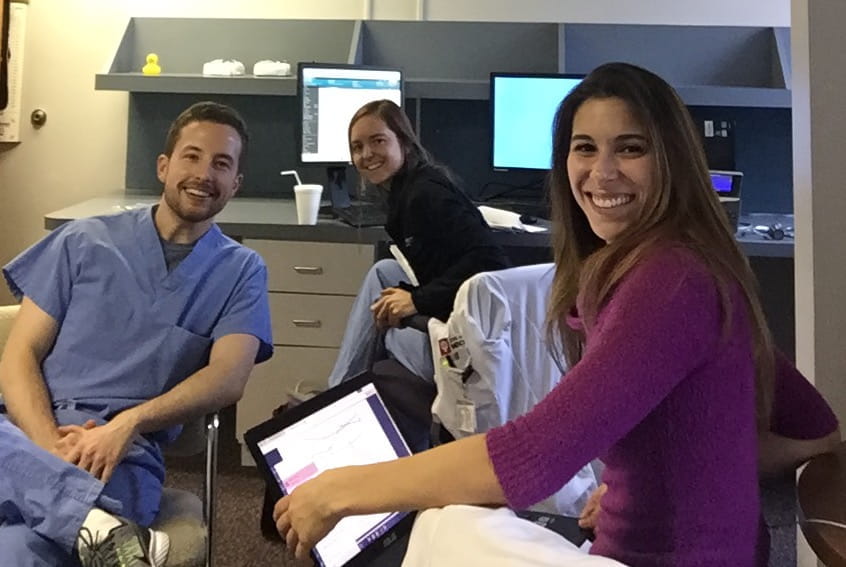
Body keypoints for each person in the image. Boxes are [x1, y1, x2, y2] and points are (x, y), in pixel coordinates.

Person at [272, 62, 802, 566]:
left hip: (657, 559)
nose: (603, 172)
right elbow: (814, 427)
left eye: (631, 148)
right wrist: (649, 480)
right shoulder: (685, 265)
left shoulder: (670, 280)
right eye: (585, 149)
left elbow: (533, 456)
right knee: (448, 520)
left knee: (441, 523)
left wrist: (342, 490)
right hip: (662, 546)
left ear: (673, 159)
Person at [0, 101, 273, 567]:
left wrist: (127, 424)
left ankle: (88, 523)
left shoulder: (240, 270)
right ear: (164, 166)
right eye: (192, 156)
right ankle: (93, 527)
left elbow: (229, 378)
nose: (204, 173)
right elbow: (20, 353)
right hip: (26, 432)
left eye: (221, 164)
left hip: (119, 454)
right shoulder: (83, 240)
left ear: (236, 184)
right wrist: (48, 449)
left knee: (18, 549)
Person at [578, 349, 841, 566]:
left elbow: (821, 438)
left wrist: (721, 458)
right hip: (624, 540)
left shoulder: (719, 333)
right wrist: (630, 481)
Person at [326, 99, 510, 388]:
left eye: (378, 141)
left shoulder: (424, 195)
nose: (367, 154)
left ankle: (337, 395)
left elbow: (490, 264)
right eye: (357, 147)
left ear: (404, 143)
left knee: (380, 322)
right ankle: (342, 391)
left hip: (458, 355)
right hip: (450, 320)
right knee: (383, 273)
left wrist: (416, 300)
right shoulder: (411, 188)